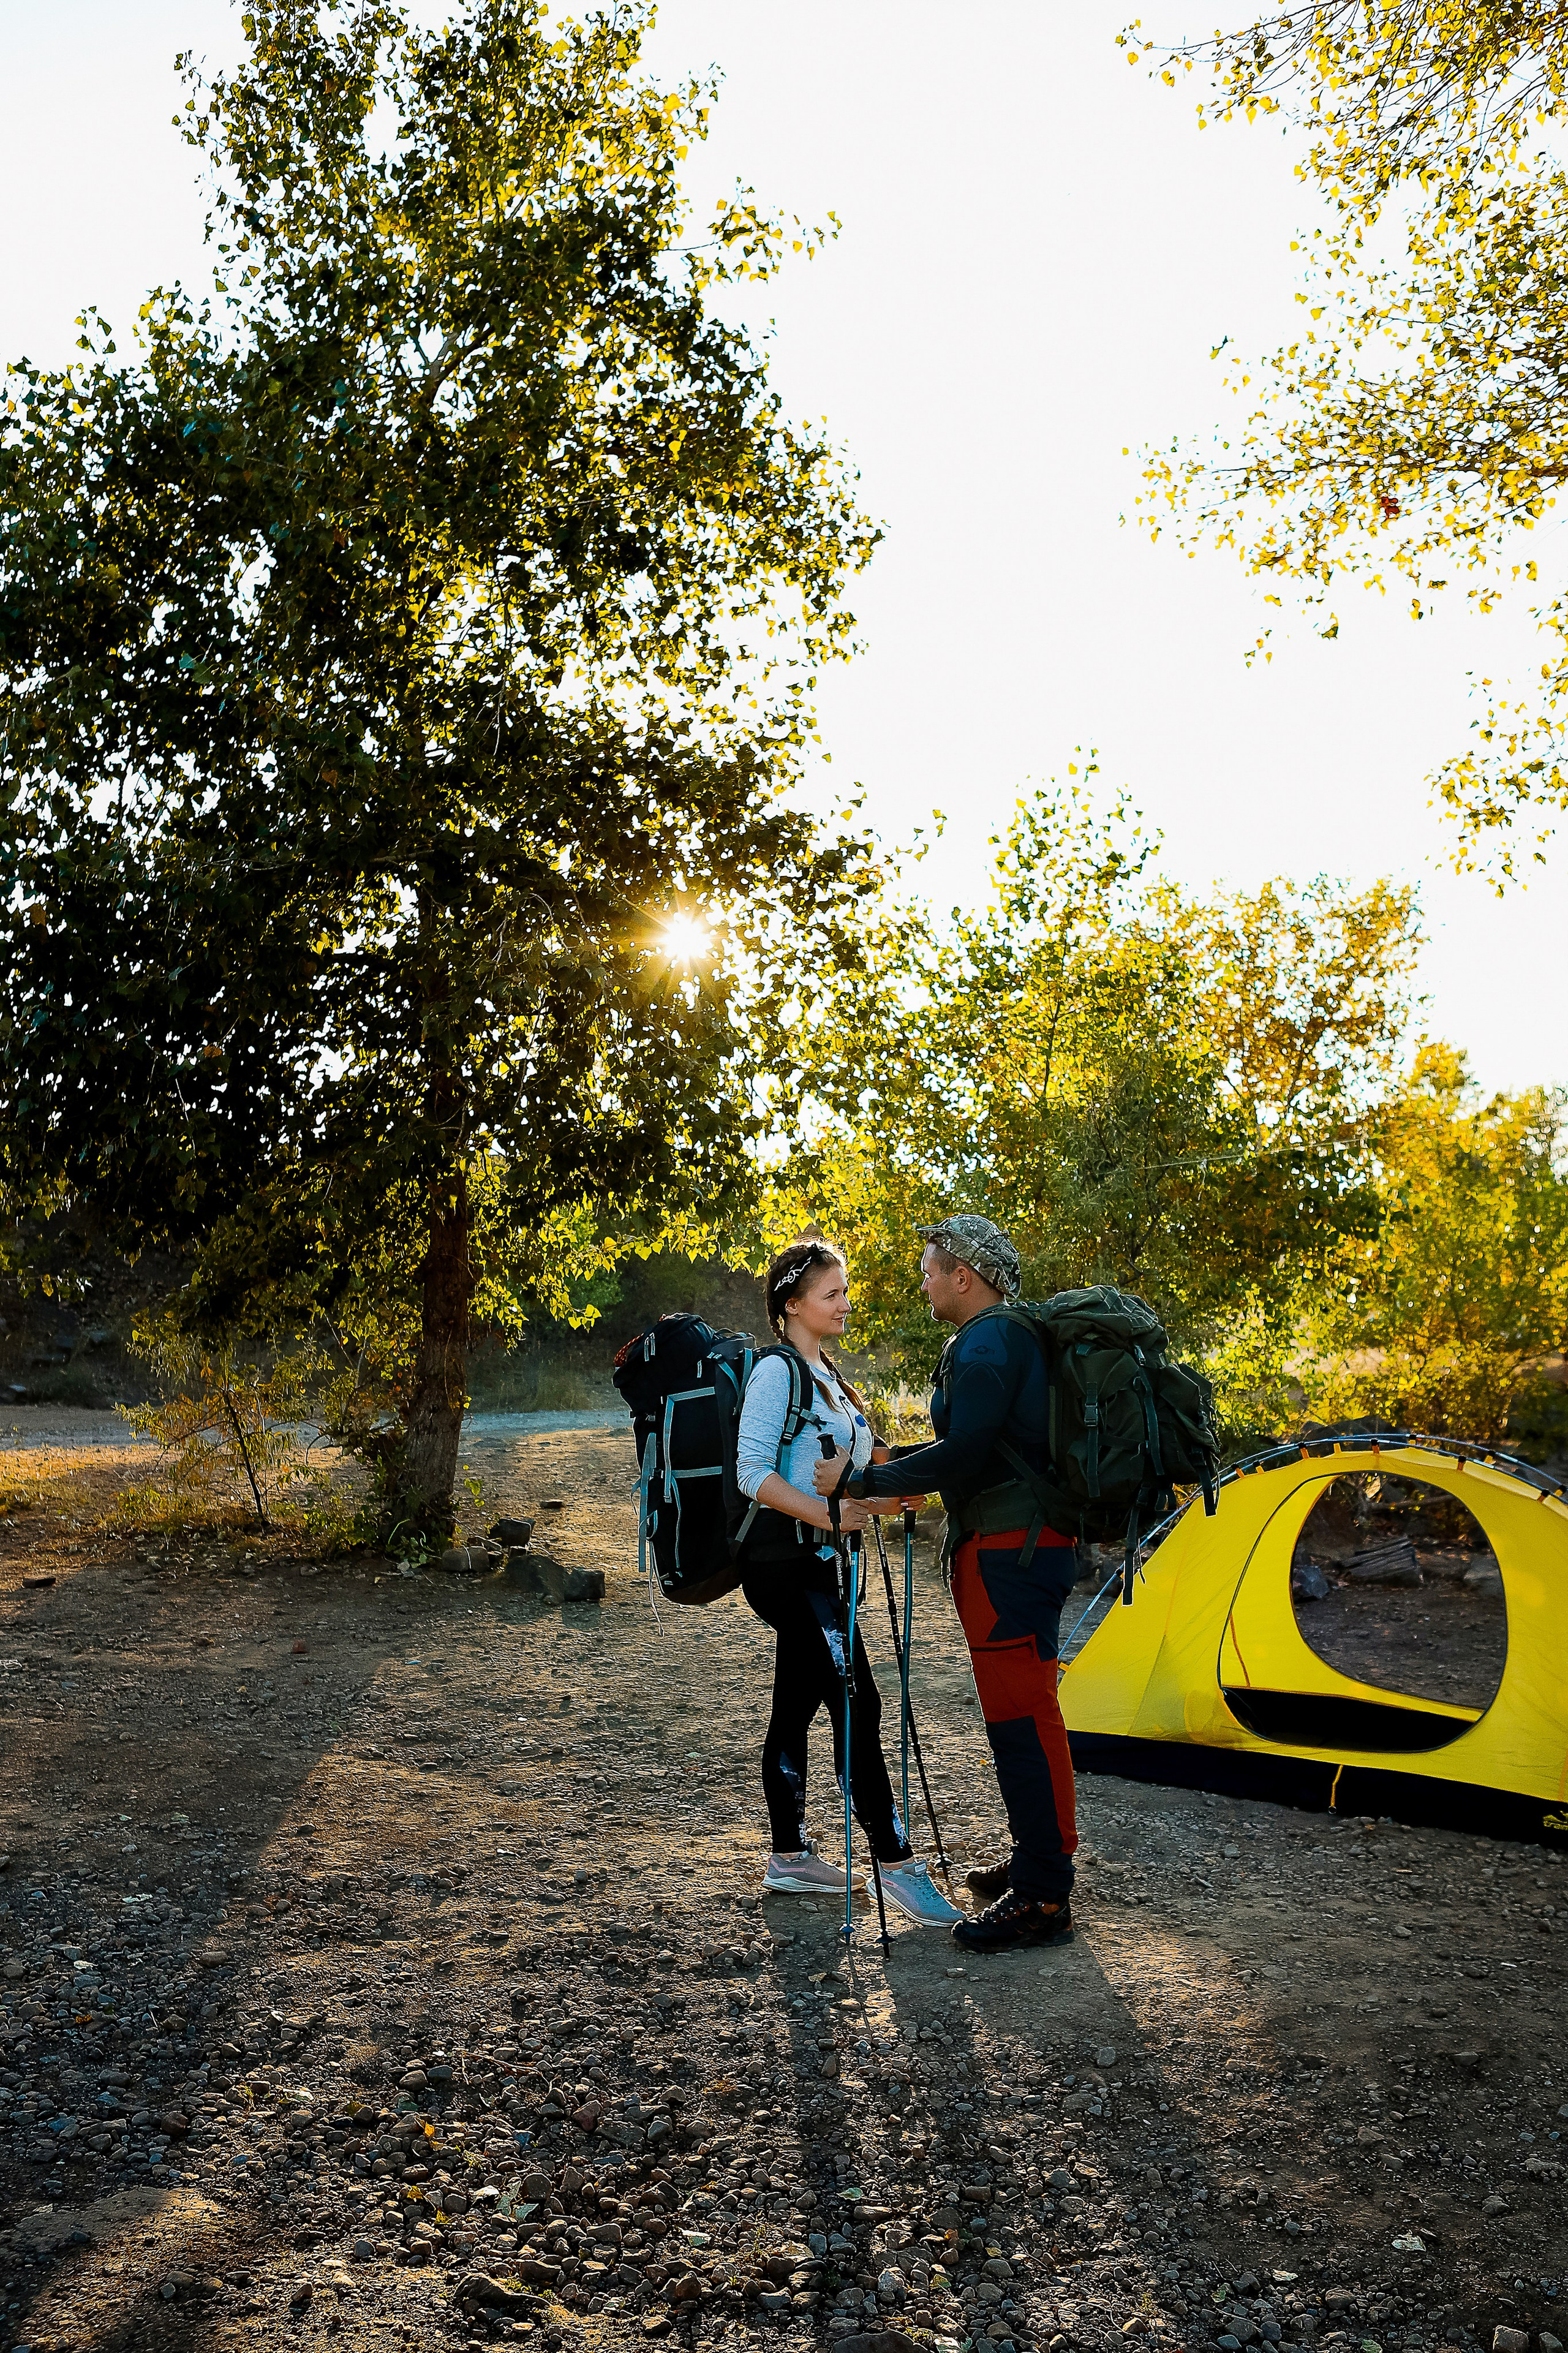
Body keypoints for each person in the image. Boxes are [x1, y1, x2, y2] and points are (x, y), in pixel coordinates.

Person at [814, 1213, 1079, 1952]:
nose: (924, 1280)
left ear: (965, 1276)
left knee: (1020, 1715)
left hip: (1009, 1554)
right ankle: (1040, 1861)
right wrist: (896, 1468)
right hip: (1018, 1546)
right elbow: (977, 1450)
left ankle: (1044, 1899)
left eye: (931, 1269)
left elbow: (962, 1455)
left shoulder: (990, 1339)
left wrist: (861, 1479)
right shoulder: (1001, 1338)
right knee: (1027, 1708)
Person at [734, 1237, 962, 1928]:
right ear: (792, 1304)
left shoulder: (830, 1376)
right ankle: (894, 1863)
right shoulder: (776, 1372)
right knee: (856, 1703)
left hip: (829, 1570)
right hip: (788, 1568)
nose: (844, 1303)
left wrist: (898, 1491)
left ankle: (788, 1856)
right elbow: (752, 1472)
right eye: (831, 1293)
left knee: (796, 1707)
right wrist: (830, 1517)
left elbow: (858, 1466)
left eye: (843, 1291)